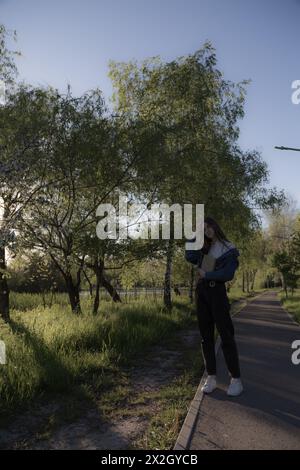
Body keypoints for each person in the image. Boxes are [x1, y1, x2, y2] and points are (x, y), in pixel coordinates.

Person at [185, 217, 243, 397]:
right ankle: (211, 377)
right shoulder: (204, 248)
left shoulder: (228, 248)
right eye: (203, 228)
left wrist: (207, 274)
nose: (207, 230)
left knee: (226, 335)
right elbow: (189, 256)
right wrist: (192, 234)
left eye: (209, 226)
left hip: (217, 293)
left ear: (215, 226)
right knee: (205, 337)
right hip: (201, 293)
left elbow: (227, 274)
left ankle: (236, 379)